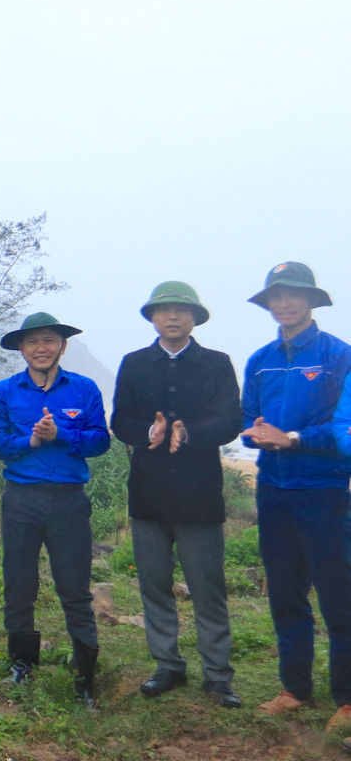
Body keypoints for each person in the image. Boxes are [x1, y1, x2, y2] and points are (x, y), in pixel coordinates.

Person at [111, 282, 243, 709]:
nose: (172, 317)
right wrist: (145, 432)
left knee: (208, 588)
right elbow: (120, 420)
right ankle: (167, 665)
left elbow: (230, 421)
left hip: (199, 494)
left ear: (194, 318)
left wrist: (191, 433)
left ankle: (218, 675)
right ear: (152, 317)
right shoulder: (134, 364)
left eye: (181, 311)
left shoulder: (217, 363)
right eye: (164, 310)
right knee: (154, 585)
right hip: (148, 494)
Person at [239, 262, 351, 730]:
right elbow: (246, 426)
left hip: (323, 492)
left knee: (338, 596)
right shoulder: (259, 359)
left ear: (311, 301)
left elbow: (344, 428)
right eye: (276, 297)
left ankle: (346, 698)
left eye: (293, 295)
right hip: (273, 491)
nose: (284, 303)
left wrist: (295, 439)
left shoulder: (338, 356)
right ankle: (294, 688)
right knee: (285, 593)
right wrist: (256, 435)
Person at [0, 312, 110, 707]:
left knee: (74, 589)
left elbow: (100, 441)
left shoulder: (85, 389)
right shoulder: (5, 392)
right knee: (19, 585)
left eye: (49, 341)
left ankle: (85, 673)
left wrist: (61, 435)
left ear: (62, 346)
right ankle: (22, 664)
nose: (41, 348)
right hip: (21, 498)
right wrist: (32, 443)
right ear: (21, 348)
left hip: (69, 501)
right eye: (33, 341)